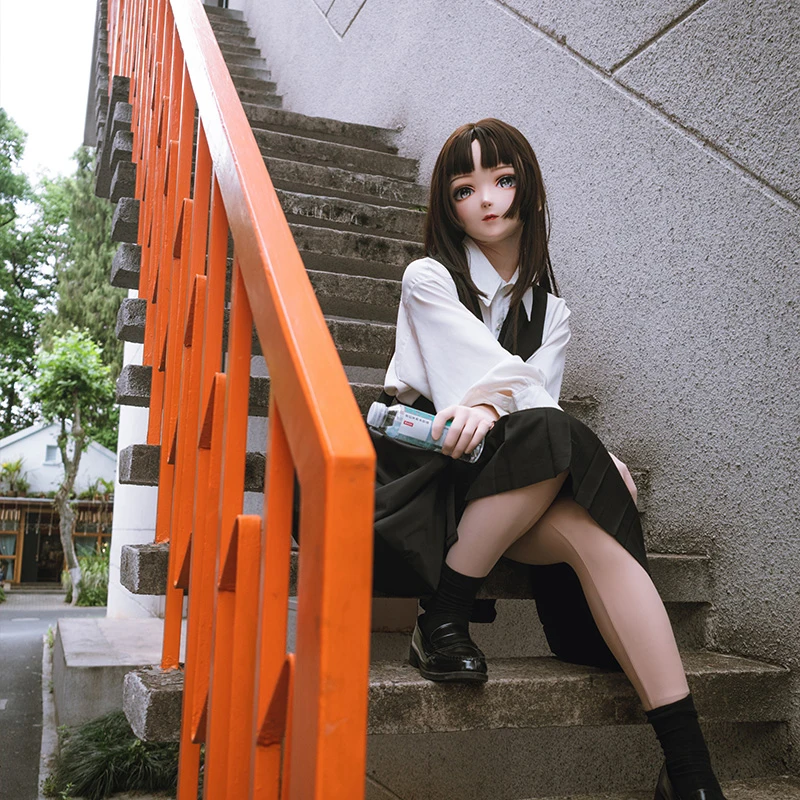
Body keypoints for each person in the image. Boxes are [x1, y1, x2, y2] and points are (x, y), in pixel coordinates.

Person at [371, 118, 727, 800]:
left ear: (528, 190)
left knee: (588, 522)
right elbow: (468, 383)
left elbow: (532, 405)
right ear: (448, 207)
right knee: (563, 443)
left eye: (502, 180)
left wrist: (513, 414)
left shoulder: (551, 312)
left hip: (506, 485)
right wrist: (507, 411)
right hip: (429, 478)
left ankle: (691, 773)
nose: (486, 198)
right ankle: (442, 612)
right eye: (464, 188)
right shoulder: (429, 277)